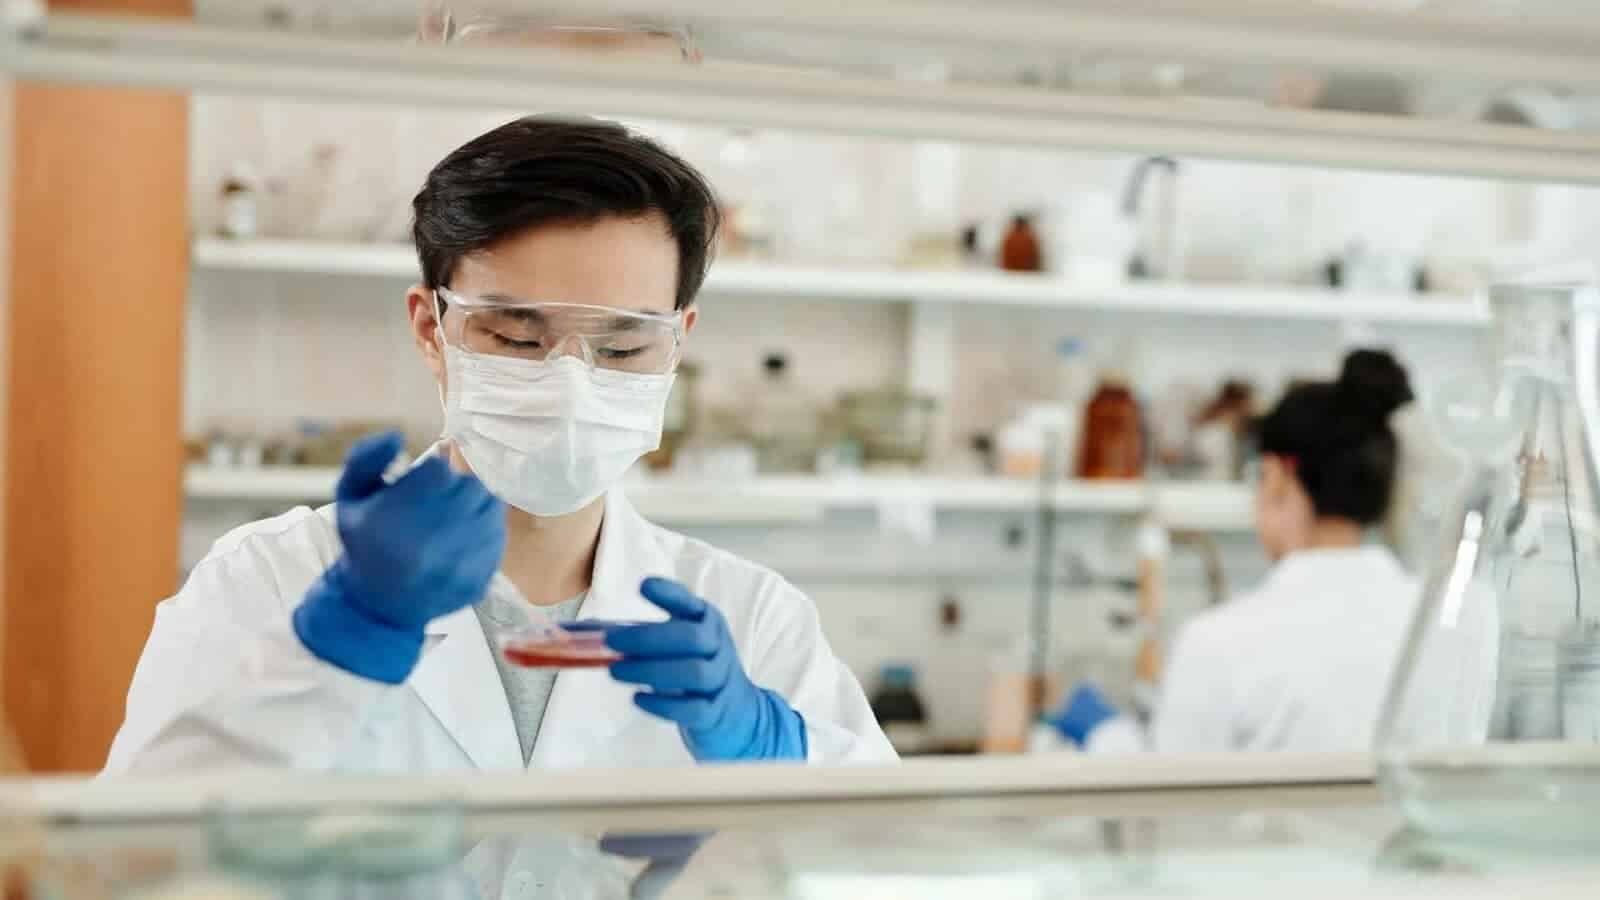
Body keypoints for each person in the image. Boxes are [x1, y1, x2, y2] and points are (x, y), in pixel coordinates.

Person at [106, 116, 895, 773]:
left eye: (621, 349)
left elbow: (898, 864)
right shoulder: (269, 580)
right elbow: (123, 868)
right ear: (430, 325)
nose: (570, 385)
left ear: (679, 343)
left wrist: (774, 748)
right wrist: (339, 645)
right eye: (519, 337)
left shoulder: (754, 622)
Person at [1054, 349, 1423, 753]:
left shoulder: (1218, 643)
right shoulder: (1456, 623)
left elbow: (1169, 798)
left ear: (1278, 478)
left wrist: (1104, 736)